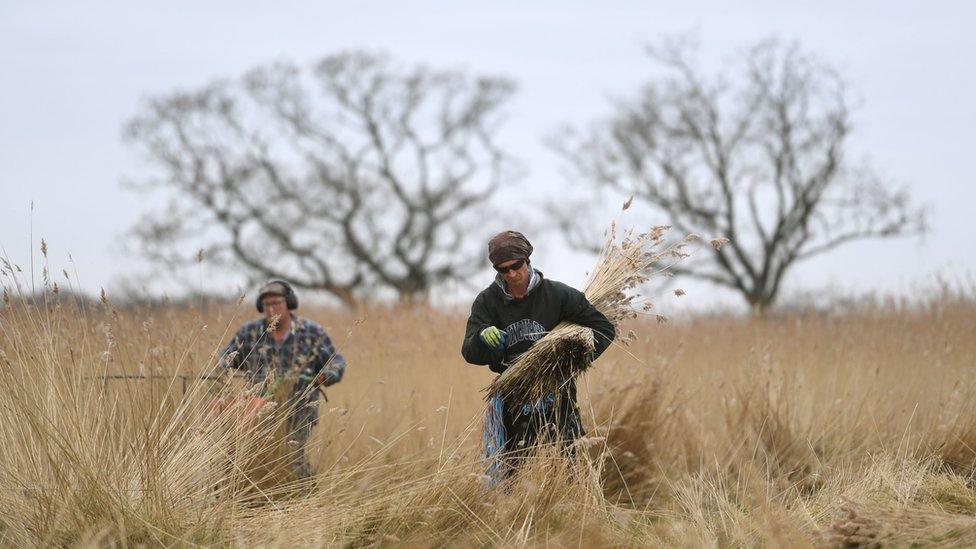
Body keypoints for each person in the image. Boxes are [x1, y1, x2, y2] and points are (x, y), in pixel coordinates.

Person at [461, 231, 615, 482]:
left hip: (559, 394)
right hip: (513, 396)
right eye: (503, 270)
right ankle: (512, 514)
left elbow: (604, 329)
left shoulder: (559, 295)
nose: (511, 274)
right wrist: (482, 337)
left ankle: (572, 511)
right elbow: (469, 352)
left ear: (527, 260)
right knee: (513, 472)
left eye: (516, 266)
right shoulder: (487, 302)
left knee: (570, 464)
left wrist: (572, 362)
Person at [220, 280, 346, 479]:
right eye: (267, 305)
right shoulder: (249, 332)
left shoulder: (312, 332)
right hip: (257, 409)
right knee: (254, 458)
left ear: (289, 303)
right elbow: (226, 358)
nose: (271, 309)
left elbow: (336, 362)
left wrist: (322, 376)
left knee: (293, 457)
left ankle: (306, 497)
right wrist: (220, 378)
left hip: (300, 407)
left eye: (277, 303)